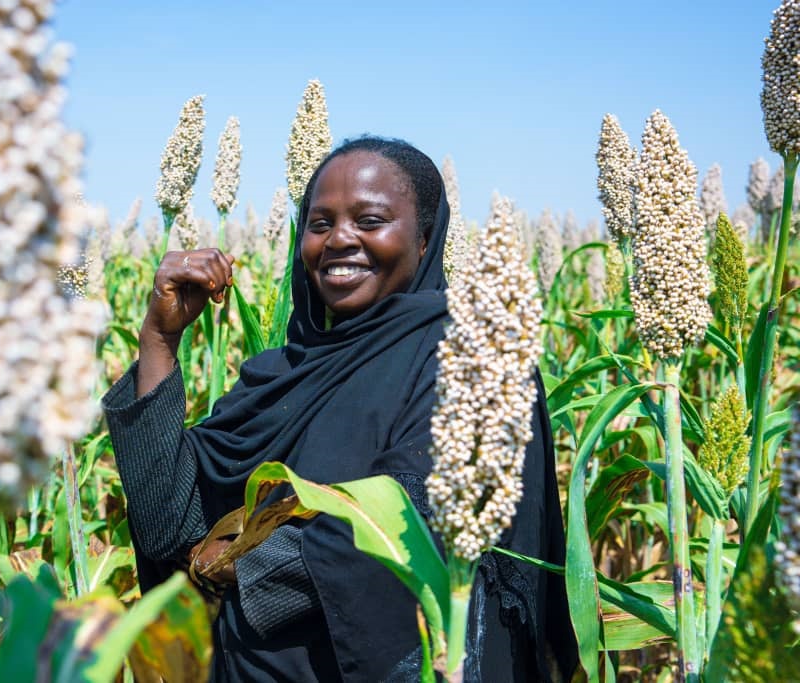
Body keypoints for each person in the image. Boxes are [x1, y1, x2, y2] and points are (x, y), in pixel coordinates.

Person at [102, 136, 577, 682]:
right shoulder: (279, 375)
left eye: (370, 221)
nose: (340, 240)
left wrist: (242, 564)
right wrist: (159, 340)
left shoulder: (469, 353)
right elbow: (171, 525)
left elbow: (421, 522)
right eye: (320, 224)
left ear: (425, 239)